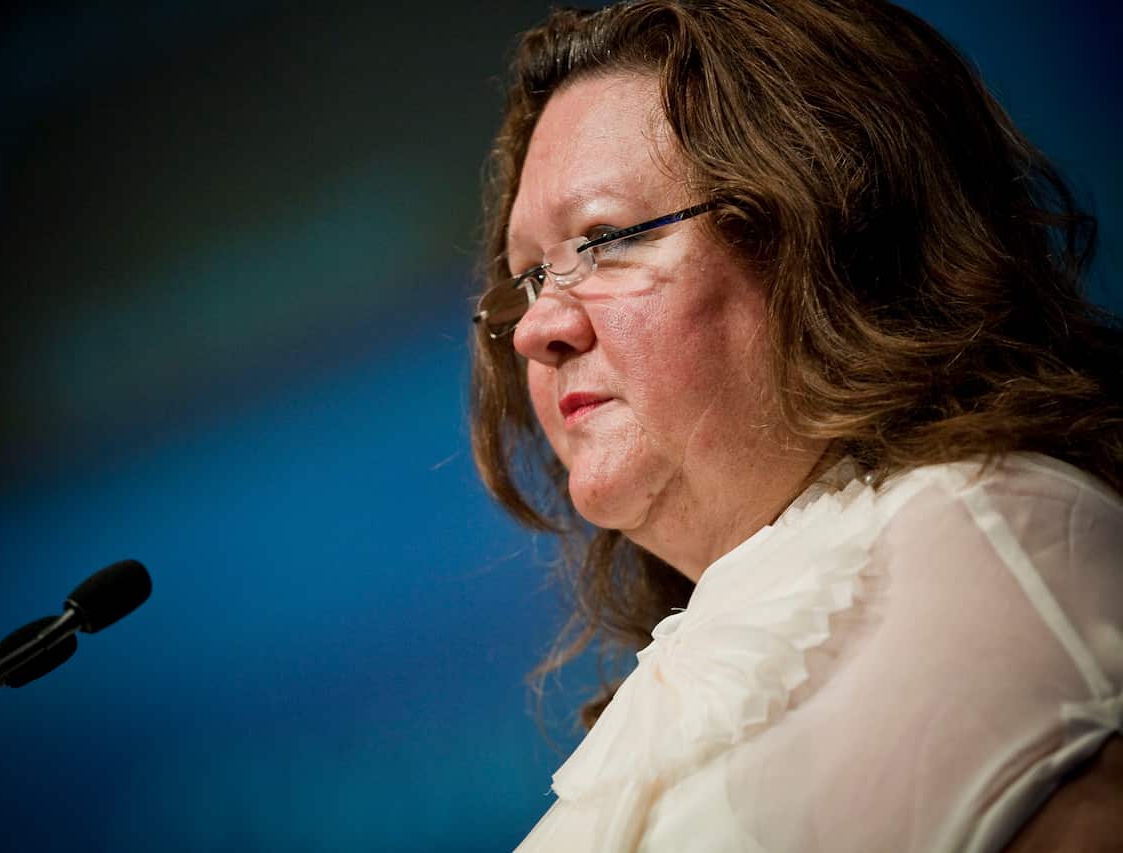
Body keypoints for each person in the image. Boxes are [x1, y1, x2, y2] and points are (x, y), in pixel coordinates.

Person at [467, 1, 1123, 850]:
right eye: (527, 277)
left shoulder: (996, 543)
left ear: (826, 234)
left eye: (605, 238)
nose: (534, 327)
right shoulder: (724, 642)